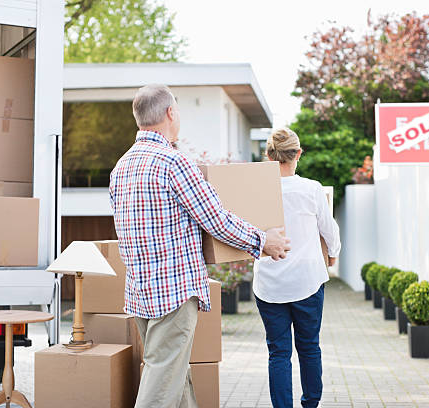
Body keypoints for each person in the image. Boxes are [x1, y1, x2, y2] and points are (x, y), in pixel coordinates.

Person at [109, 84, 291, 408]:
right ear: (170, 113)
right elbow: (216, 220)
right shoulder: (173, 162)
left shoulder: (120, 168)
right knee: (161, 382)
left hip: (141, 292)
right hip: (173, 292)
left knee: (173, 378)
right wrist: (264, 241)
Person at [253, 128, 341, 408]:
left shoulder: (256, 191)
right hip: (307, 281)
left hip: (269, 285)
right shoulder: (311, 189)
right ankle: (311, 403)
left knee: (278, 353)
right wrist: (333, 254)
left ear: (268, 155)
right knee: (309, 347)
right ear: (298, 154)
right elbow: (330, 231)